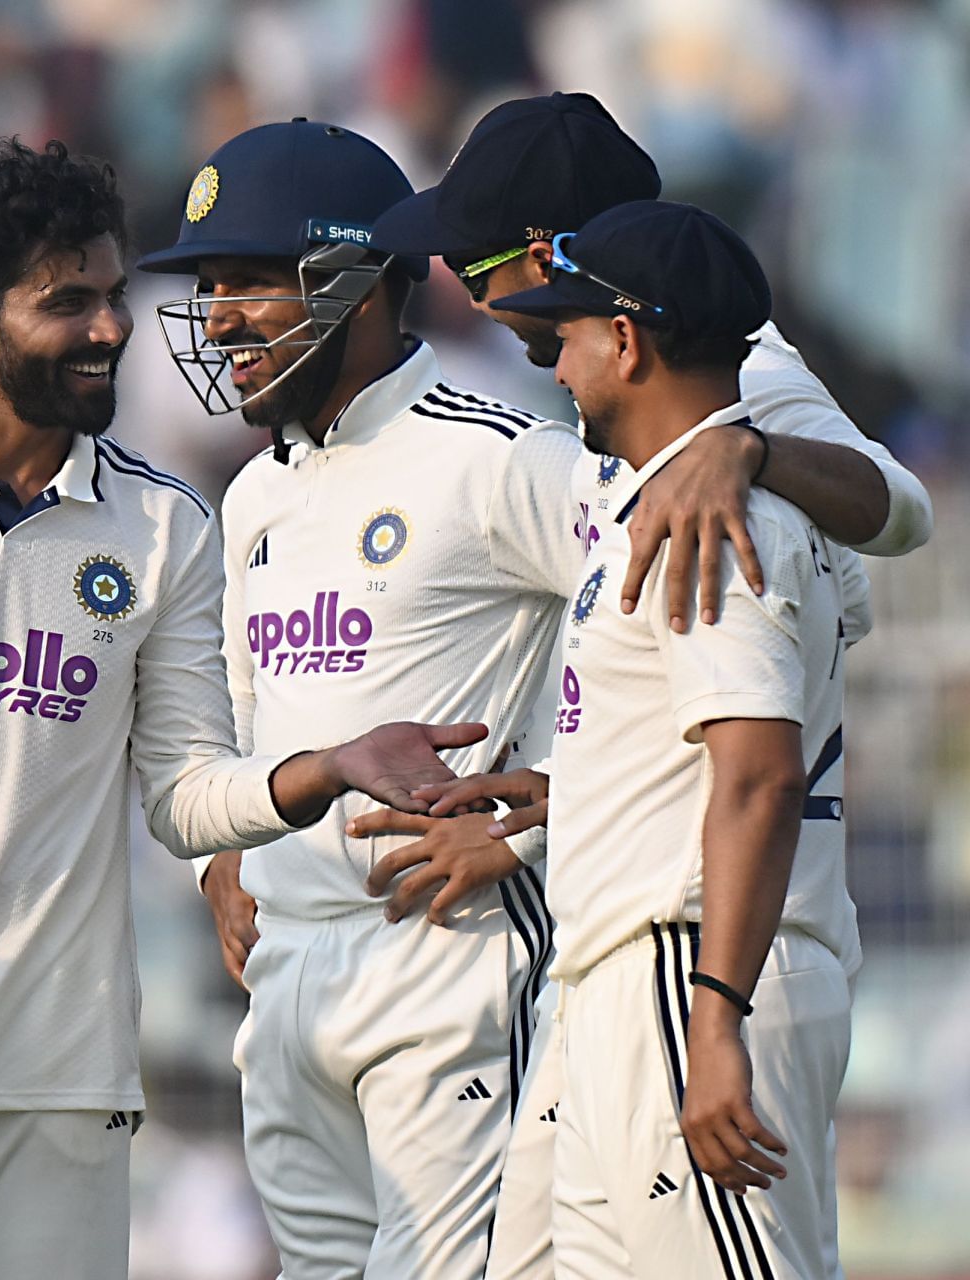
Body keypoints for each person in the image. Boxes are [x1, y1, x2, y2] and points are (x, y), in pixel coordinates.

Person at [0, 137, 481, 1280]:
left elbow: (183, 793)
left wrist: (324, 765)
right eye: (68, 302)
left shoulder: (165, 525)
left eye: (114, 294)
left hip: (58, 1069)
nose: (112, 328)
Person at [365, 91, 934, 1280]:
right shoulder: (633, 444)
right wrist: (561, 807)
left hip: (698, 951)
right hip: (628, 945)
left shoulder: (733, 407)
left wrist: (749, 449)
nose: (472, 296)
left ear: (558, 265)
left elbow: (896, 521)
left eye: (480, 262)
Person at [141, 118, 584, 1277]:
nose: (220, 315)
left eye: (249, 279)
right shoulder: (250, 498)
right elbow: (236, 723)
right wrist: (219, 864)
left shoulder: (500, 454)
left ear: (361, 281)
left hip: (449, 959)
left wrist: (552, 817)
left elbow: (687, 635)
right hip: (287, 971)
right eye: (205, 283)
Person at [434, 199, 859, 1277]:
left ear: (626, 340)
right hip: (625, 978)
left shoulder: (722, 518)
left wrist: (714, 1016)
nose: (559, 365)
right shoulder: (661, 502)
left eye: (570, 334)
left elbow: (760, 777)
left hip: (688, 970)